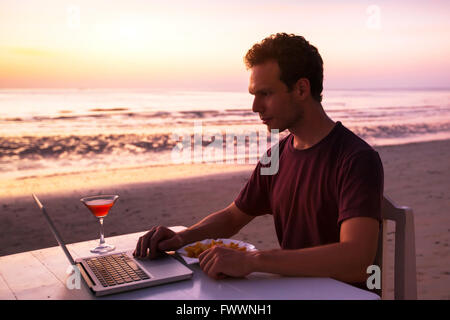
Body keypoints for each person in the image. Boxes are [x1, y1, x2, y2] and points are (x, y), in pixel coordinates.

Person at [133, 33, 384, 290]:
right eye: (254, 94)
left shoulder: (356, 159)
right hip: (293, 291)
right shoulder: (276, 156)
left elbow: (357, 261)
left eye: (265, 93)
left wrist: (253, 261)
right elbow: (232, 217)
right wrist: (181, 237)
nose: (255, 106)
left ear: (301, 89)